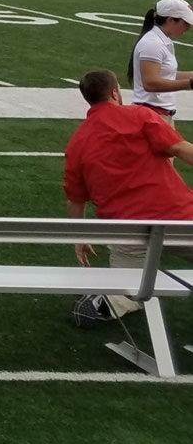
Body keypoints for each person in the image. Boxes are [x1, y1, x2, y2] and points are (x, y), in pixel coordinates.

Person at [63, 67, 193, 326]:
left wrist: (79, 238)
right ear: (114, 92)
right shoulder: (139, 115)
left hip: (124, 229)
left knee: (129, 289)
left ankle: (105, 300)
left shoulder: (77, 142)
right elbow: (180, 149)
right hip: (176, 216)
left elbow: (76, 199)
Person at [131, 0, 193, 119]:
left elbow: (168, 74)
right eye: (185, 23)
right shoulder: (152, 44)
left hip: (159, 113)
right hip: (151, 115)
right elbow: (150, 83)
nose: (188, 28)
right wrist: (189, 84)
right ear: (170, 20)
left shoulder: (163, 41)